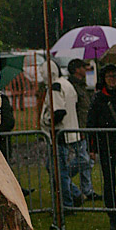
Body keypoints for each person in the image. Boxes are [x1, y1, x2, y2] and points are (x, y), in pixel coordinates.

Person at [41, 60, 83, 210]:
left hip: (59, 135)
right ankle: (73, 194)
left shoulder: (56, 87)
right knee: (57, 169)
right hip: (69, 132)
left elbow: (59, 112)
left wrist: (47, 120)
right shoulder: (66, 84)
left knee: (59, 171)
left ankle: (68, 202)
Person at [87, 63, 116, 230]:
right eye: (109, 77)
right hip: (107, 147)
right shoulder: (98, 99)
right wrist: (91, 148)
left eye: (115, 76)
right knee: (109, 183)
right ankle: (113, 216)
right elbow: (91, 124)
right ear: (104, 79)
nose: (112, 80)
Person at [67, 58, 100, 202]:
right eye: (82, 66)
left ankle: (87, 190)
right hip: (78, 127)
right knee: (84, 159)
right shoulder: (72, 87)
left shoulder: (82, 85)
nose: (85, 69)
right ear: (76, 70)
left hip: (85, 126)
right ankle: (62, 175)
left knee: (88, 160)